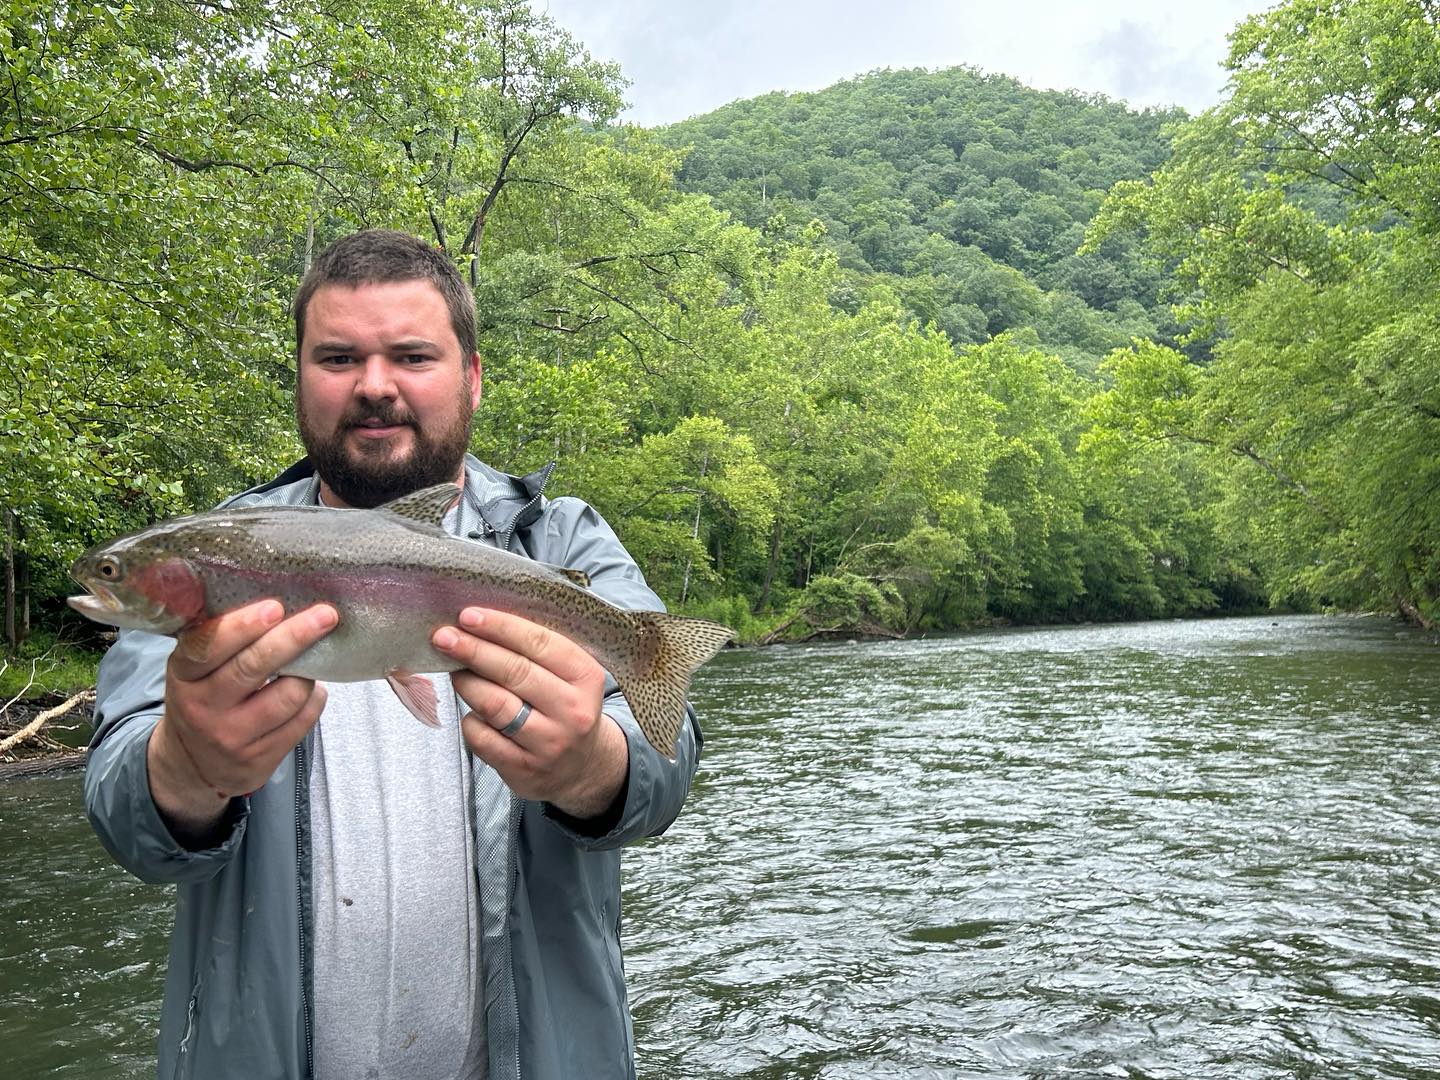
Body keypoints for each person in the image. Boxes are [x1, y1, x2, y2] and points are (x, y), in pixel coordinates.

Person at [84, 229, 701, 1080]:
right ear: (299, 381)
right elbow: (121, 814)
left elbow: (666, 764)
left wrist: (593, 766)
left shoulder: (561, 540)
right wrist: (184, 772)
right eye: (338, 358)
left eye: (411, 355)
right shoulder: (222, 547)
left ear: (473, 378)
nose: (375, 386)